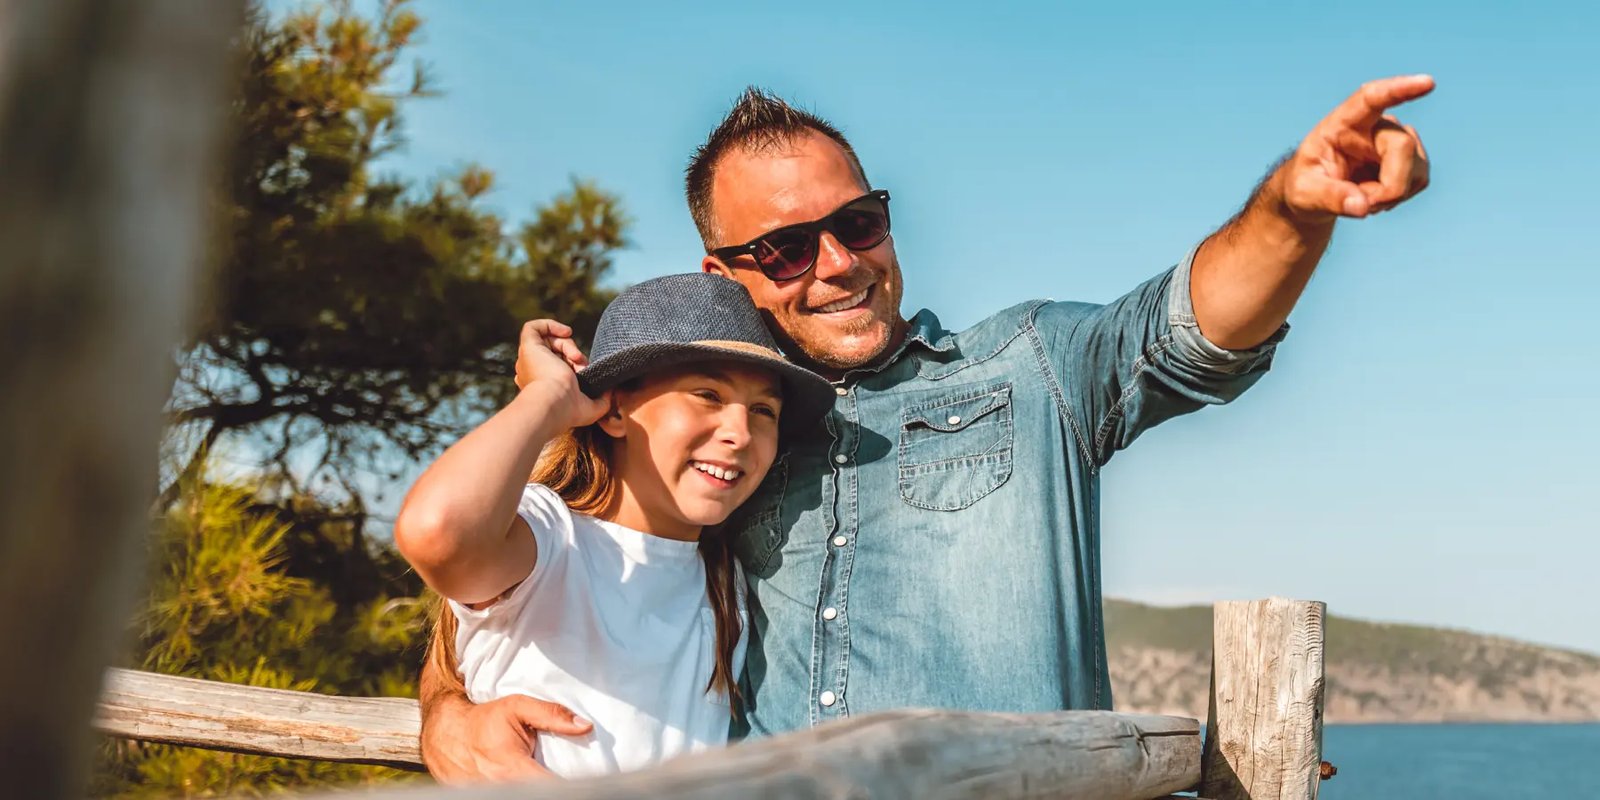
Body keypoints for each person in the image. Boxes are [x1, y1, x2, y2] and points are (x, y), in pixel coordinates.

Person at [417, 75, 1433, 782]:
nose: (837, 262)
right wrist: (444, 711)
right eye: (784, 248)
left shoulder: (1033, 366)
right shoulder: (714, 445)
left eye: (857, 222)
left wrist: (1297, 207)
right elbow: (524, 582)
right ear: (724, 278)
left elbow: (1196, 324)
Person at [393, 273, 834, 776]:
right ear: (615, 410)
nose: (739, 432)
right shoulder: (550, 534)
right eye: (707, 395)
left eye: (763, 410)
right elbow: (437, 532)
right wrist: (549, 398)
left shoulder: (726, 579)